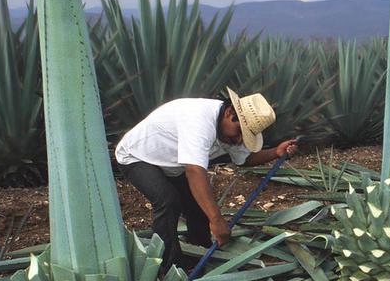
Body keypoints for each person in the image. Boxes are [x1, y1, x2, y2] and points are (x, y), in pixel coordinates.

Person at [115, 88, 297, 271]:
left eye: (245, 135)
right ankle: (168, 269)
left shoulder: (230, 130)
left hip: (171, 163)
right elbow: (194, 171)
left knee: (197, 204)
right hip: (137, 156)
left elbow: (245, 158)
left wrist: (275, 152)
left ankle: (200, 251)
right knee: (168, 202)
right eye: (240, 132)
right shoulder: (199, 121)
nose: (239, 139)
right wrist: (217, 221)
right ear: (229, 113)